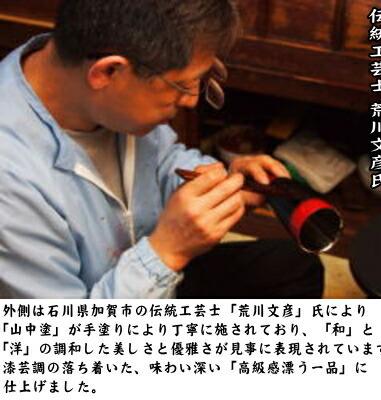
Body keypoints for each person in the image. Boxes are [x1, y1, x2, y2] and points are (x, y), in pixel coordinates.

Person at [0, 0, 323, 298]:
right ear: (108, 72)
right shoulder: (11, 183)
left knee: (294, 267)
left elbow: (162, 159)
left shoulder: (93, 73)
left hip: (145, 265)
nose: (191, 100)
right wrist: (168, 252)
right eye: (182, 85)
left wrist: (215, 186)